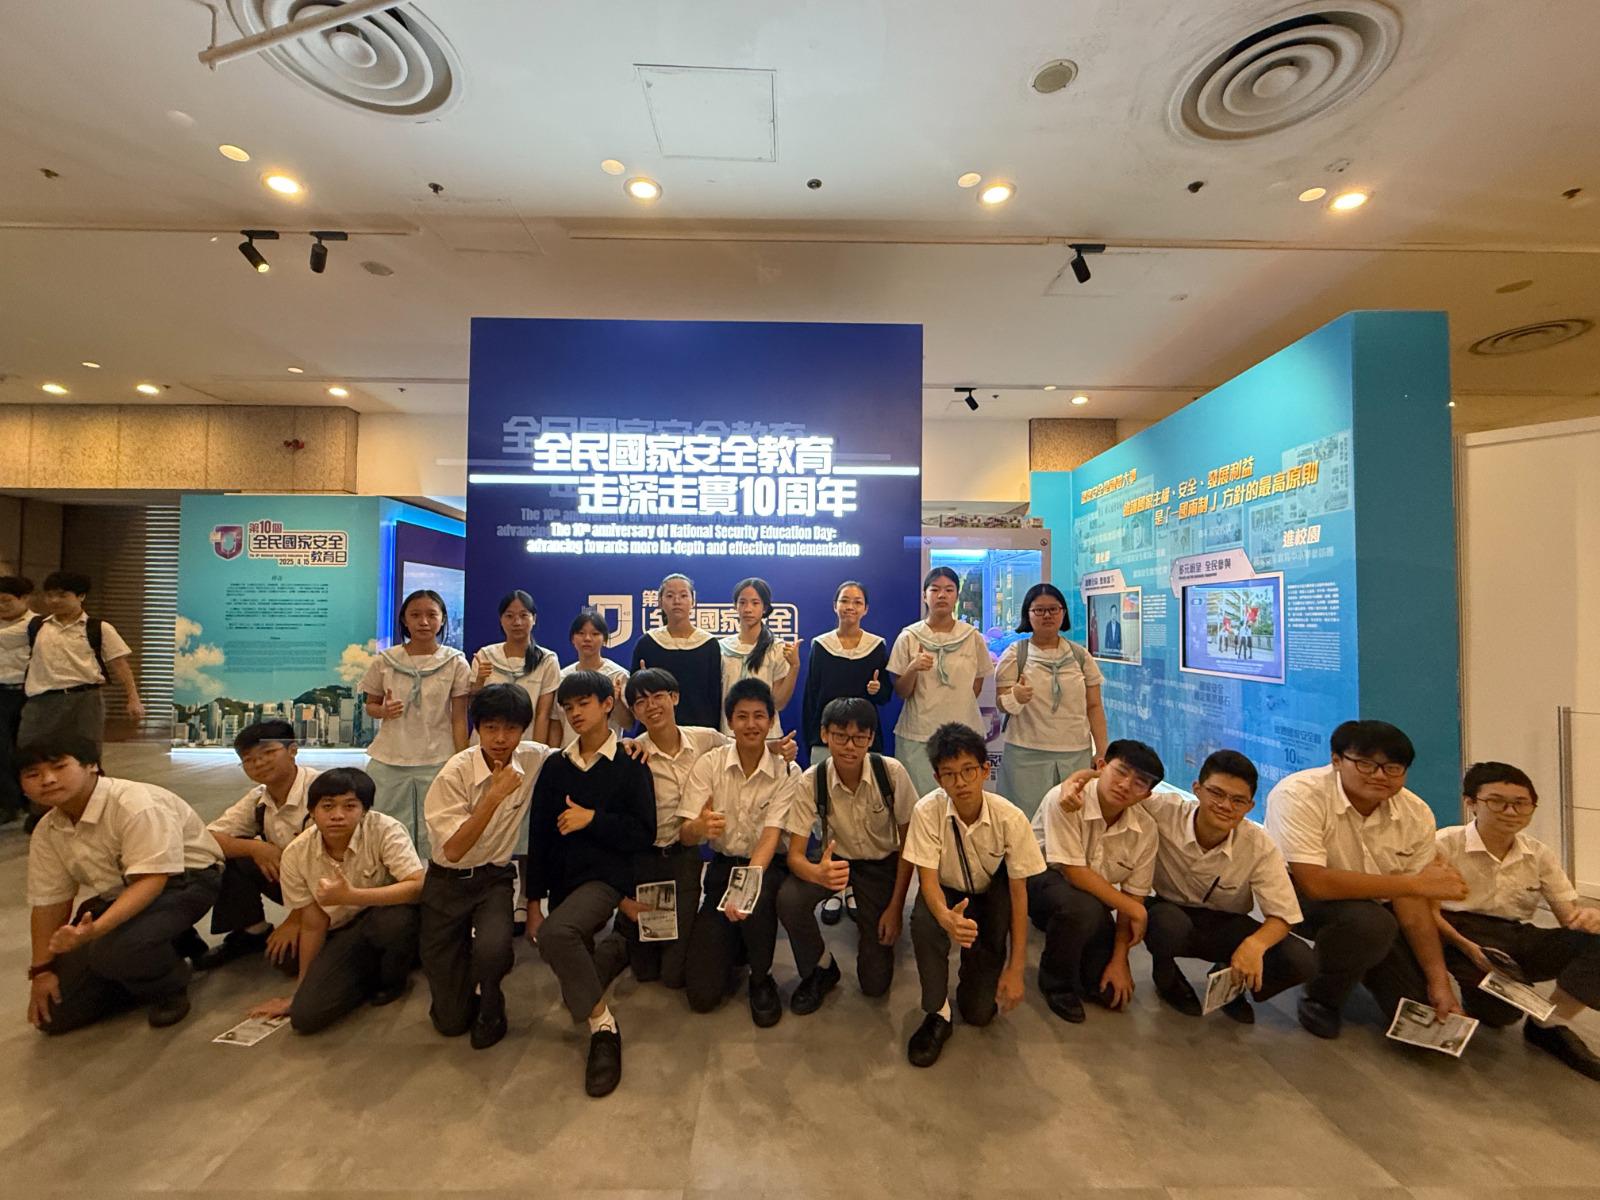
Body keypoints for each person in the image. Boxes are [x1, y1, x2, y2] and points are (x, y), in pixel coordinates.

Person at [1264, 719, 1469, 1040]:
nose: (1380, 776)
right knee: (1371, 924)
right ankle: (1322, 996)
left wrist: (1439, 980)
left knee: (1421, 1011)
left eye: (1393, 768)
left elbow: (1412, 907)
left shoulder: (1416, 814)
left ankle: (1359, 959)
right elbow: (1313, 883)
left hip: (1375, 903)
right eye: (1366, 764)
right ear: (1336, 760)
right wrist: (1415, 884)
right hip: (1295, 896)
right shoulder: (1299, 794)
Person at [21, 735, 223, 1033]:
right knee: (56, 1014)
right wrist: (42, 970)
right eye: (33, 774)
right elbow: (49, 902)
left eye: (59, 767)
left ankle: (168, 985)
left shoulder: (134, 804)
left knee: (113, 951)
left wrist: (97, 931)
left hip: (185, 881)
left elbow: (152, 880)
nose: (48, 780)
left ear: (91, 765)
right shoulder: (48, 829)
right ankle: (166, 945)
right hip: (119, 893)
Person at [524, 669, 657, 1097]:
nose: (576, 713)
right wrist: (532, 902)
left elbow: (644, 833)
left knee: (557, 936)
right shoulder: (555, 766)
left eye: (584, 703)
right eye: (568, 707)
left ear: (607, 705)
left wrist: (592, 819)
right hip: (565, 881)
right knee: (574, 979)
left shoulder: (630, 763)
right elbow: (540, 837)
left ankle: (604, 1028)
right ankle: (617, 948)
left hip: (607, 879)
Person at [1434, 761, 1600, 1080]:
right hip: (1455, 931)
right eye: (1497, 801)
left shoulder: (1538, 853)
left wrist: (1588, 918)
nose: (1510, 812)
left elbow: (1568, 916)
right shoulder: (1444, 844)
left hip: (1513, 935)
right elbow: (1421, 911)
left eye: (1521, 803)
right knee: (1499, 1015)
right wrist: (1465, 946)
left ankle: (1549, 1025)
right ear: (1471, 803)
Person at [901, 722, 1044, 1067]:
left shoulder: (1011, 819)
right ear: (937, 779)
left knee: (979, 1013)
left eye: (968, 770)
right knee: (924, 922)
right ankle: (937, 1011)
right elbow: (927, 880)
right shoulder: (926, 811)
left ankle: (976, 975)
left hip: (990, 896)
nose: (960, 782)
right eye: (949, 774)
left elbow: (1019, 895)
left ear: (984, 770)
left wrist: (1016, 968)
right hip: (946, 892)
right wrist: (945, 917)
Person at [421, 684, 553, 1049]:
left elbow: (578, 754)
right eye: (491, 727)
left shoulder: (531, 757)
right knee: (450, 1021)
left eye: (511, 728)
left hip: (494, 878)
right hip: (446, 881)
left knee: (494, 949)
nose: (500, 738)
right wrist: (493, 796)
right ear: (477, 727)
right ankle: (465, 980)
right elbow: (454, 849)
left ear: (523, 729)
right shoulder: (455, 773)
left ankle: (491, 997)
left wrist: (631, 746)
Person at [248, 767, 425, 1034]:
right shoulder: (297, 853)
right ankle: (360, 972)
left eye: (350, 806)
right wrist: (301, 992)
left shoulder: (385, 829)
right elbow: (313, 922)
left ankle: (391, 979)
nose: (337, 815)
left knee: (394, 922)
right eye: (327, 806)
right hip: (340, 928)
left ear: (364, 810)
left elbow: (417, 886)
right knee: (305, 1014)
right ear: (312, 811)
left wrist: (352, 896)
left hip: (383, 916)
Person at [1141, 750, 1314, 1022]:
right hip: (1168, 911)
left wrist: (1254, 945)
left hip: (1224, 922)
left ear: (1250, 806)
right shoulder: (1165, 811)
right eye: (1216, 793)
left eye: (1238, 800)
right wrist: (1077, 781)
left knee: (1300, 960)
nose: (1225, 805)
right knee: (1166, 925)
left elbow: (1284, 915)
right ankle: (1166, 976)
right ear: (1197, 789)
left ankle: (1230, 981)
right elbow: (1112, 787)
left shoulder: (1259, 845)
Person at [778, 697, 917, 1014]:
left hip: (880, 863)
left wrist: (896, 908)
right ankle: (820, 967)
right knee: (789, 898)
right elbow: (795, 856)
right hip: (835, 860)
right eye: (840, 736)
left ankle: (876, 920)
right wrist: (816, 873)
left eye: (859, 737)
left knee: (874, 984)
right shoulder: (812, 780)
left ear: (871, 738)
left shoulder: (890, 773)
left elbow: (909, 846)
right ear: (825, 735)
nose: (849, 746)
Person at [678, 678, 802, 1026]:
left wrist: (745, 889)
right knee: (701, 996)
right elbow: (685, 835)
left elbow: (771, 836)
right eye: (742, 716)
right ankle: (735, 945)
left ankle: (761, 977)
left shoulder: (786, 770)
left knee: (757, 905)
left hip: (765, 866)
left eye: (759, 716)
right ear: (730, 721)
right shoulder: (710, 764)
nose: (751, 724)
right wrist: (698, 828)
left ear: (771, 721)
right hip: (721, 868)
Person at [1026, 740, 1163, 1023]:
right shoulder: (1065, 799)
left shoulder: (1146, 828)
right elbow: (1073, 871)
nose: (1125, 785)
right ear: (1101, 766)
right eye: (1121, 772)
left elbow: (1133, 896)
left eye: (1139, 783)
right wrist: (1136, 910)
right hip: (1040, 883)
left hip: (1092, 898)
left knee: (1109, 993)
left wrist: (1120, 959)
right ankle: (1055, 983)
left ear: (1148, 794)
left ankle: (1081, 951)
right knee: (1082, 908)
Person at [621, 667, 726, 990]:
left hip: (684, 858)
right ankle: (622, 930)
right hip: (645, 861)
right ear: (634, 711)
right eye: (641, 702)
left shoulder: (706, 738)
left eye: (658, 696)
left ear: (675, 697)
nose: (651, 706)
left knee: (673, 975)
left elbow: (741, 748)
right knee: (645, 970)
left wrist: (777, 749)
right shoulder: (631, 753)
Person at [360, 588, 472, 857]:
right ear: (404, 620)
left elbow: (459, 717)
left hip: (438, 758)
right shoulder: (385, 661)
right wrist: (383, 711)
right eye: (415, 615)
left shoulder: (455, 662)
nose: (424, 622)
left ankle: (434, 880)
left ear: (442, 619)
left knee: (437, 828)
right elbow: (370, 705)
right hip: (390, 758)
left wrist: (462, 761)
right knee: (386, 828)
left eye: (432, 615)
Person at [198, 720, 319, 970]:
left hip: (336, 887)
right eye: (248, 759)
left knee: (289, 961)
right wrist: (256, 848)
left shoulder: (324, 792)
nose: (259, 763)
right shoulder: (259, 799)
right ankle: (252, 932)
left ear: (293, 750)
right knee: (232, 855)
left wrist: (295, 920)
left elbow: (335, 864)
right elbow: (208, 838)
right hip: (292, 880)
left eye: (268, 752)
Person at [995, 582, 1107, 819]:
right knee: (1024, 821)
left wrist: (1102, 750)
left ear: (1063, 613)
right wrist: (1016, 696)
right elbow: (1002, 704)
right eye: (1039, 610)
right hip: (1026, 754)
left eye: (1053, 609)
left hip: (1075, 753)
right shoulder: (1016, 654)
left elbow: (1094, 706)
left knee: (1072, 820)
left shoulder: (1080, 656)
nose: (1047, 615)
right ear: (1027, 614)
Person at [889, 567, 994, 798]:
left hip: (964, 732)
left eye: (949, 590)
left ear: (957, 596)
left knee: (963, 798)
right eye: (935, 589)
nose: (942, 595)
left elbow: (976, 686)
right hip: (919, 734)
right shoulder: (909, 636)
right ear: (924, 596)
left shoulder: (972, 637)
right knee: (918, 802)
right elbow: (901, 691)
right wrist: (913, 668)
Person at [18, 570, 145, 749]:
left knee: (85, 753)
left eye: (62, 595)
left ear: (81, 596)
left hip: (84, 700)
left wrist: (133, 698)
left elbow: (120, 664)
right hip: (40, 701)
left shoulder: (99, 628)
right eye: (49, 595)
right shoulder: (35, 626)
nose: (54, 600)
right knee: (31, 752)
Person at [801, 580, 891, 762]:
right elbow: (811, 697)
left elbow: (885, 696)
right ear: (835, 606)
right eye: (844, 601)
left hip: (864, 737)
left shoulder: (876, 646)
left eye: (857, 602)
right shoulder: (821, 645)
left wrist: (877, 689)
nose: (850, 607)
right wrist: (811, 738)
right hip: (827, 738)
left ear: (866, 609)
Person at [630, 573, 723, 729]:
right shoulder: (647, 643)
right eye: (670, 596)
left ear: (693, 601)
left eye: (683, 595)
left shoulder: (709, 644)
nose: (677, 601)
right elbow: (636, 696)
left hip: (700, 732)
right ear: (660, 602)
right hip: (656, 731)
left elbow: (715, 697)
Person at [471, 590, 560, 747]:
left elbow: (543, 714)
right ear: (501, 620)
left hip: (525, 743)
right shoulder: (485, 655)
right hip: (487, 744)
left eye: (523, 615)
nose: (517, 622)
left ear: (534, 619)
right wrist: (479, 681)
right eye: (509, 616)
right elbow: (473, 706)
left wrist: (536, 752)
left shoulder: (547, 660)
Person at [719, 577, 800, 738]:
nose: (748, 609)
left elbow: (778, 703)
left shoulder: (776, 648)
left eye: (755, 603)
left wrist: (794, 667)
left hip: (766, 736)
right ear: (735, 606)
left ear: (765, 608)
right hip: (729, 734)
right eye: (742, 602)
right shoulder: (721, 648)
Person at [552, 608, 631, 746]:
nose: (587, 639)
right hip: (570, 752)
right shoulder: (562, 677)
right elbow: (556, 723)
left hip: (608, 753)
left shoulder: (618, 675)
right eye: (581, 633)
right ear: (572, 639)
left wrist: (617, 702)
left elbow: (628, 724)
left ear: (604, 639)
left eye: (595, 634)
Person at [0, 574, 35, 823]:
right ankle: (7, 802)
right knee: (1, 749)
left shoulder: (37, 625)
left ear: (24, 599)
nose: (1, 606)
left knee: (25, 748)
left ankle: (26, 799)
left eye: (6, 601)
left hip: (28, 693)